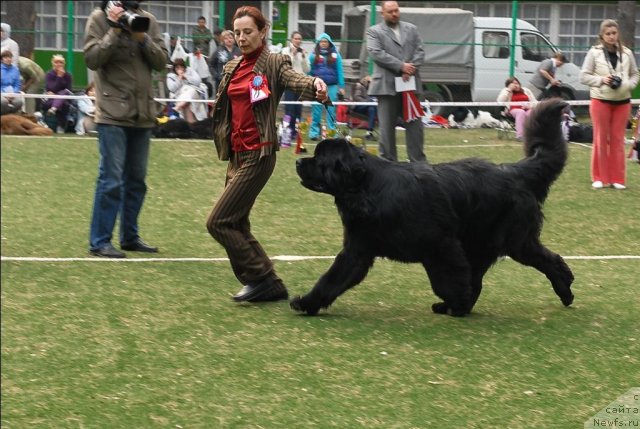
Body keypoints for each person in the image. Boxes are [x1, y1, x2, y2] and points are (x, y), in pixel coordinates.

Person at [207, 5, 329, 302]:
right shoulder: (232, 67)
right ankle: (267, 283)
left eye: (248, 31)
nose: (242, 38)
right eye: (237, 33)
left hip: (259, 154)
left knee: (218, 221)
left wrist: (314, 84)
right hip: (236, 154)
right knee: (236, 221)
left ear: (263, 32)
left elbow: (293, 79)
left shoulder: (273, 63)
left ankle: (261, 276)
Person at [84, 0, 169, 258]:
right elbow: (92, 59)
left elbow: (161, 61)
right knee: (110, 179)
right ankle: (100, 241)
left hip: (143, 114)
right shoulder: (99, 18)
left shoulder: (148, 20)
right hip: (111, 114)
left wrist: (143, 39)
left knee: (137, 181)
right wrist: (114, 29)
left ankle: (130, 237)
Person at [580, 19, 639, 190]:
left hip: (623, 102)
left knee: (617, 139)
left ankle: (617, 178)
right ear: (602, 36)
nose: (611, 36)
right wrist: (601, 80)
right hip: (600, 101)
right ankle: (599, 177)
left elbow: (635, 74)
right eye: (608, 34)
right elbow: (583, 76)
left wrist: (628, 85)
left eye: (614, 33)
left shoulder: (627, 53)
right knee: (600, 138)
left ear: (617, 34)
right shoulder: (594, 53)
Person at [366, 1, 426, 162]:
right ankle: (388, 164)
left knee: (415, 128)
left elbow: (420, 51)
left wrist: (410, 68)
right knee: (386, 130)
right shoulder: (374, 32)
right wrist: (401, 66)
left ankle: (419, 163)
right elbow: (376, 53)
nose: (394, 14)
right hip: (386, 87)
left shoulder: (411, 29)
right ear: (382, 13)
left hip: (410, 85)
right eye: (390, 11)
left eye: (396, 10)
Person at [308, 33, 345, 140]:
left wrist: (341, 86)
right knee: (316, 110)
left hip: (332, 86)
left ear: (329, 43)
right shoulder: (312, 56)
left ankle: (332, 132)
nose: (324, 44)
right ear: (318, 43)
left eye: (326, 42)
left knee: (331, 110)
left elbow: (340, 71)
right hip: (317, 86)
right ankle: (314, 133)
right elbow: (309, 71)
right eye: (322, 42)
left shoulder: (336, 55)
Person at [281, 31, 310, 138]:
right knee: (290, 108)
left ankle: (296, 132)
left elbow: (307, 69)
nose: (298, 40)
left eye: (300, 39)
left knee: (298, 109)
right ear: (291, 40)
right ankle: (287, 131)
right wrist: (292, 55)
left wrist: (303, 57)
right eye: (296, 38)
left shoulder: (303, 52)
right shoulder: (285, 51)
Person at [166, 58, 208, 123]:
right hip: (179, 96)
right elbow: (172, 89)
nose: (180, 69)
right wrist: (179, 79)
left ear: (184, 67)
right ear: (174, 68)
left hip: (193, 95)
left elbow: (198, 81)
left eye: (181, 67)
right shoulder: (170, 76)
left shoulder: (190, 71)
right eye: (177, 67)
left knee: (190, 90)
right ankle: (191, 124)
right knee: (187, 105)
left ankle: (178, 107)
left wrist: (186, 77)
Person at [496, 76, 537, 141]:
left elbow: (535, 102)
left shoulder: (526, 90)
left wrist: (530, 106)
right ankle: (519, 136)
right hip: (512, 110)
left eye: (517, 83)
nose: (516, 85)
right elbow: (500, 101)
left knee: (531, 113)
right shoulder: (506, 91)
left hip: (527, 108)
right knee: (521, 112)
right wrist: (509, 90)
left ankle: (531, 135)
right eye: (513, 84)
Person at [43, 54, 73, 134]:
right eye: (56, 62)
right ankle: (61, 127)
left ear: (64, 64)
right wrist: (59, 77)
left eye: (61, 62)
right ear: (53, 63)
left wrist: (57, 93)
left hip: (64, 100)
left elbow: (69, 90)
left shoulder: (68, 75)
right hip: (50, 100)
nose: (59, 64)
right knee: (61, 103)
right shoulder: (49, 74)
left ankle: (54, 109)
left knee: (63, 93)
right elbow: (50, 88)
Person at [351, 75, 378, 140]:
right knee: (372, 102)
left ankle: (369, 132)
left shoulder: (368, 89)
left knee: (372, 109)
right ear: (366, 81)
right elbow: (356, 97)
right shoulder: (359, 86)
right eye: (370, 82)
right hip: (356, 107)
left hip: (365, 107)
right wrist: (368, 100)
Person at [1, 50, 23, 115]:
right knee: (3, 102)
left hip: (12, 93)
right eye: (6, 57)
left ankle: (10, 116)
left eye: (10, 57)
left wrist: (13, 93)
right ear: (2, 59)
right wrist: (4, 95)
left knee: (19, 102)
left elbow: (17, 84)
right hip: (1, 93)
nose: (8, 59)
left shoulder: (15, 70)